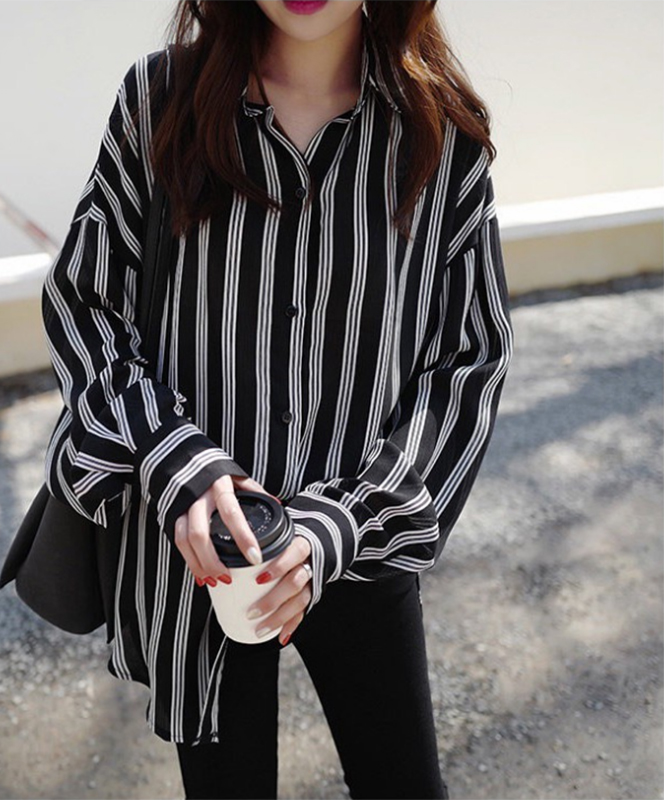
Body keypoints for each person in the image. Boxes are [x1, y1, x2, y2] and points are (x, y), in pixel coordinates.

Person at [39, 1, 514, 797]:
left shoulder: (441, 132)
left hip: (356, 536)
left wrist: (341, 525)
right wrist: (181, 463)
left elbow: (467, 362)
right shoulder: (163, 100)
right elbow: (86, 305)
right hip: (201, 555)